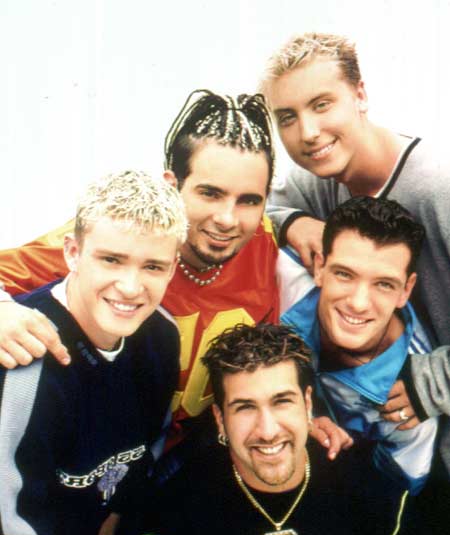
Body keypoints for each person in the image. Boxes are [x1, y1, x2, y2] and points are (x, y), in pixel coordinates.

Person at [0, 90, 349, 456]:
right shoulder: (120, 238)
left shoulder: (266, 246)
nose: (228, 219)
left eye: (249, 200)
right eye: (210, 194)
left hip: (194, 452)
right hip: (96, 452)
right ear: (171, 186)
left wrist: (305, 415)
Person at [118, 323, 435, 535]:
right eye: (245, 407)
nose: (267, 430)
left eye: (282, 401)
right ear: (220, 419)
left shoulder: (376, 492)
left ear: (307, 404)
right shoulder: (175, 527)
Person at [0, 170, 188, 535]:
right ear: (72, 253)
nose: (130, 286)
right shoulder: (23, 354)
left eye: (153, 266)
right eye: (111, 259)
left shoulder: (161, 339)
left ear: (173, 267)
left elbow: (122, 484)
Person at [259, 32, 450, 472]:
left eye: (322, 104)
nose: (308, 133)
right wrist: (293, 222)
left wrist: (435, 381)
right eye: (287, 117)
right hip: (386, 443)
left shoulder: (439, 188)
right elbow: (247, 207)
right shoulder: (320, 179)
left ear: (360, 95)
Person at [279, 195, 437, 493]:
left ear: (406, 290)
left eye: (384, 284)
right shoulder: (283, 276)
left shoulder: (410, 406)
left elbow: (393, 497)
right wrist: (290, 222)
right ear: (320, 267)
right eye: (344, 274)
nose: (358, 303)